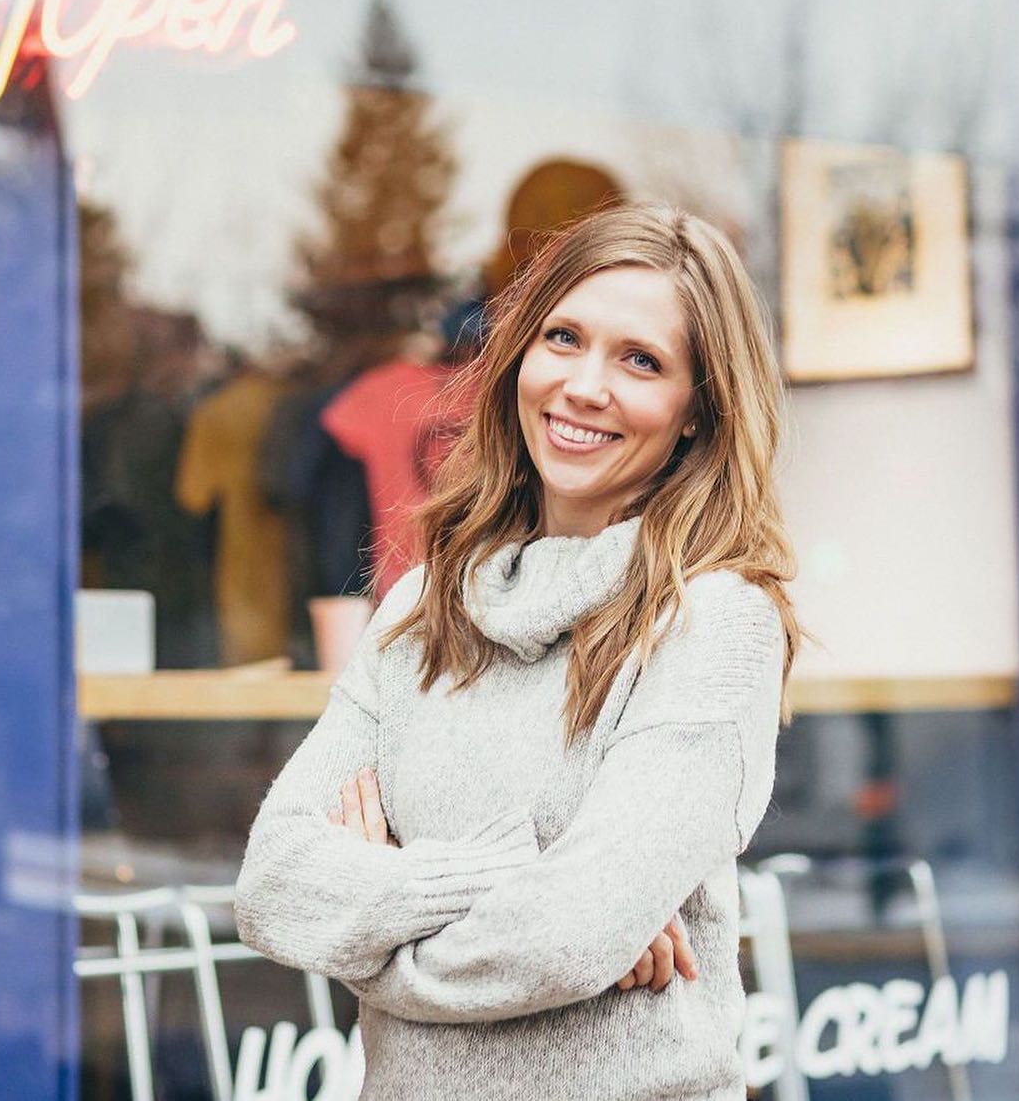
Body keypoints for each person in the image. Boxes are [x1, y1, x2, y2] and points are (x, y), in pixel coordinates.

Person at [234, 202, 800, 1100]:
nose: (584, 385)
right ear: (517, 357)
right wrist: (513, 880)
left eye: (641, 360)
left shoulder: (713, 621)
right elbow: (273, 883)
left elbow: (566, 937)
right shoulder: (420, 607)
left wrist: (372, 926)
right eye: (562, 337)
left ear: (697, 409)